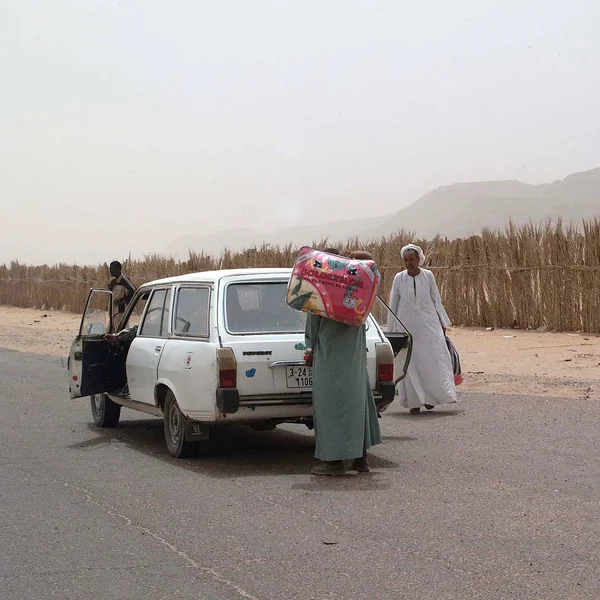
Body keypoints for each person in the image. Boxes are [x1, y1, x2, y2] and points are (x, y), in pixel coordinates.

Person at [304, 248, 382, 476]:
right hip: (354, 357)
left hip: (329, 356)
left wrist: (309, 348)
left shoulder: (322, 288)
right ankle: (360, 458)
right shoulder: (361, 290)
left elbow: (313, 327)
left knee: (331, 406)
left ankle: (334, 461)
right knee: (356, 403)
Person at [387, 244, 457, 413]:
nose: (409, 263)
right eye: (406, 260)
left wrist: (442, 324)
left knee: (431, 359)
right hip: (406, 326)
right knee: (411, 362)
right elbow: (393, 303)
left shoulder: (428, 276)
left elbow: (436, 300)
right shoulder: (399, 278)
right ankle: (414, 402)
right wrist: (391, 330)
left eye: (412, 259)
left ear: (418, 259)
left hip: (428, 326)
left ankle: (430, 398)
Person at [107, 261, 136, 331]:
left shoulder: (125, 280)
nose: (110, 271)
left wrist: (123, 301)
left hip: (120, 312)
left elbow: (134, 291)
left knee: (120, 332)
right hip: (113, 312)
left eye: (112, 269)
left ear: (118, 269)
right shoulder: (113, 281)